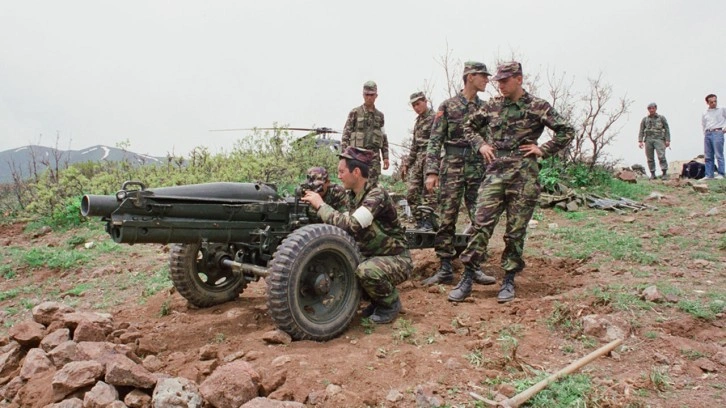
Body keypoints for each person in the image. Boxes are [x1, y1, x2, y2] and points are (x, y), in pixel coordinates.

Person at [450, 61, 575, 304]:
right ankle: (467, 276)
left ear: (519, 79)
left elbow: (566, 130)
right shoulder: (493, 106)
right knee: (480, 224)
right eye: (498, 81)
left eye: (505, 80)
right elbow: (468, 126)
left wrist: (544, 149)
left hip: (524, 176)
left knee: (515, 231)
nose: (501, 85)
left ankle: (508, 279)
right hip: (495, 172)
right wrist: (481, 144)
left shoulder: (538, 106)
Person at [302, 147, 412, 324]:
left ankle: (390, 304)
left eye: (342, 171)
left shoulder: (377, 195)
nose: (339, 176)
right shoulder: (352, 197)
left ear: (356, 172)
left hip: (395, 258)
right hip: (371, 255)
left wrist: (321, 205)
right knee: (344, 270)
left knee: (366, 272)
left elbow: (351, 225)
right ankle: (376, 301)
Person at [422, 61, 496, 287]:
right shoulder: (448, 106)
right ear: (470, 76)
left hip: (477, 166)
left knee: (479, 218)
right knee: (447, 218)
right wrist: (432, 172)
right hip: (452, 165)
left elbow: (491, 137)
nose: (486, 80)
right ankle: (445, 267)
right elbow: (434, 142)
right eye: (483, 76)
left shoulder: (486, 108)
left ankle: (474, 267)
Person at [400, 91, 436, 230]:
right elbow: (414, 146)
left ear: (425, 101)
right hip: (419, 158)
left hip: (431, 157)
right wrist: (407, 164)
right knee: (411, 193)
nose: (416, 107)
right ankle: (420, 221)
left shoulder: (435, 118)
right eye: (414, 105)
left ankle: (428, 222)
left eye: (418, 104)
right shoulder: (418, 122)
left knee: (429, 192)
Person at [341, 81, 390, 185]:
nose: (369, 97)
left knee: (372, 187)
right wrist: (344, 156)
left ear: (376, 95)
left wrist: (386, 157)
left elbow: (383, 137)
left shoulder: (380, 116)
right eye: (367, 94)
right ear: (363, 95)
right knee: (356, 185)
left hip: (374, 158)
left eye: (371, 95)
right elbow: (346, 135)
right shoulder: (355, 112)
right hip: (357, 156)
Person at [638, 102, 671, 180]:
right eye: (650, 108)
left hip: (659, 139)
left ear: (656, 108)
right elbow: (641, 130)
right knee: (650, 158)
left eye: (653, 108)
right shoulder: (645, 119)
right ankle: (652, 173)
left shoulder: (661, 118)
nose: (651, 110)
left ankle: (664, 173)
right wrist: (640, 141)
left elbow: (667, 129)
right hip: (648, 139)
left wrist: (668, 140)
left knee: (661, 156)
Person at [702, 94, 726, 180]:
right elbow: (704, 123)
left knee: (719, 154)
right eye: (711, 102)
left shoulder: (722, 109)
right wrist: (705, 132)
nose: (714, 103)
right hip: (708, 133)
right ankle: (709, 174)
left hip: (717, 132)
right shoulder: (705, 112)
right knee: (708, 155)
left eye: (715, 101)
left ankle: (721, 173)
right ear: (707, 103)